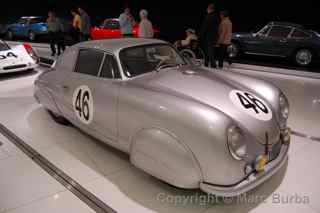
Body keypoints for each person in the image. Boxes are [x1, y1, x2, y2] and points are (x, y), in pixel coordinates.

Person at [199, 3, 220, 68]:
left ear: (210, 9)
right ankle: (207, 63)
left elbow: (204, 27)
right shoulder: (216, 17)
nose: (206, 10)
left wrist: (200, 35)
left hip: (208, 36)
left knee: (208, 51)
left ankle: (212, 64)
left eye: (207, 9)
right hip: (214, 36)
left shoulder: (208, 17)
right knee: (210, 50)